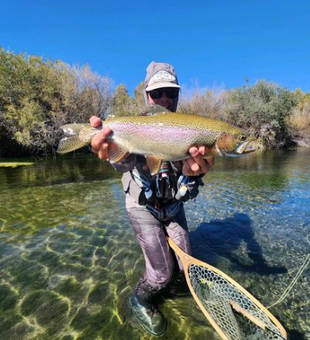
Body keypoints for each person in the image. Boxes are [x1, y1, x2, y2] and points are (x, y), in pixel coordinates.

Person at [90, 62, 214, 336]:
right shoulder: (136, 130)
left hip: (173, 206)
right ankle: (139, 299)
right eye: (157, 93)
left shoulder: (187, 133)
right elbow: (124, 163)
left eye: (171, 92)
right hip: (142, 207)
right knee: (161, 275)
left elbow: (188, 184)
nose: (165, 99)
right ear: (146, 96)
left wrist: (194, 175)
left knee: (185, 266)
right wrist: (111, 152)